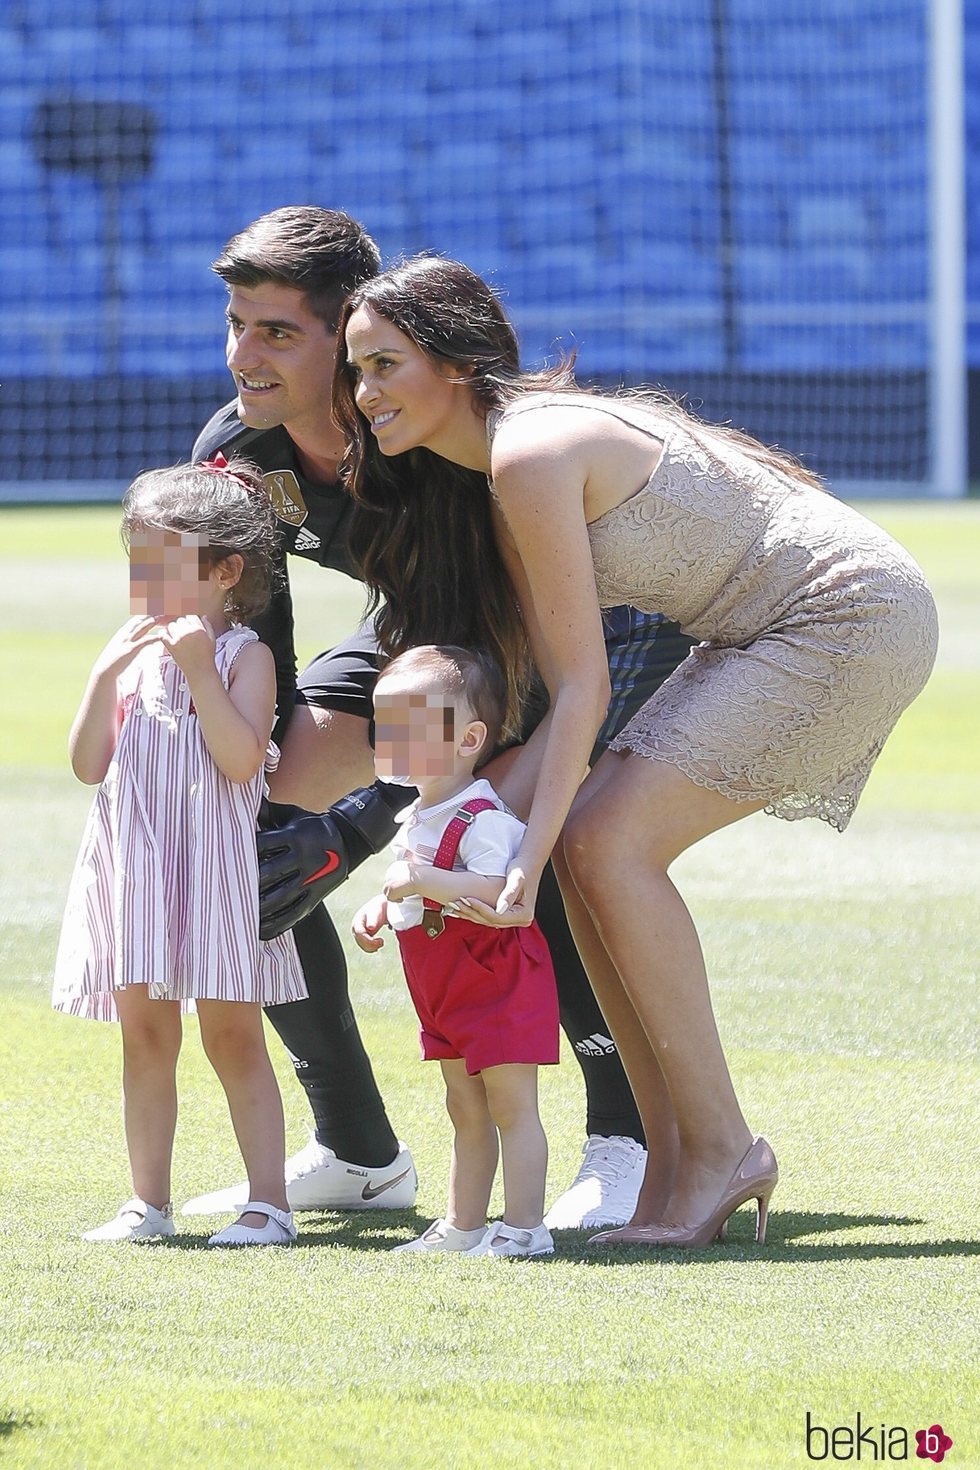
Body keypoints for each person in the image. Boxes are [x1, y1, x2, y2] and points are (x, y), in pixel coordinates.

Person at [331, 254, 940, 1249]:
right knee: (587, 844)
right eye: (355, 371)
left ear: (452, 362)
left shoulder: (527, 456)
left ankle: (717, 1149)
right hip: (756, 631)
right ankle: (675, 1161)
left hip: (844, 617)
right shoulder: (506, 467)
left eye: (383, 364)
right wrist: (455, 839)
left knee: (602, 844)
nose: (363, 394)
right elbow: (552, 696)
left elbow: (583, 690)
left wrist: (516, 866)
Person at [183, 206, 697, 1229]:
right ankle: (357, 1151)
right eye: (235, 322)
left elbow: (500, 679)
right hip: (431, 630)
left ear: (351, 332)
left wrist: (358, 828)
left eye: (277, 330)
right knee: (246, 820)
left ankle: (624, 1135)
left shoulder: (434, 439)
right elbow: (264, 662)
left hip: (581, 627)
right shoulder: (241, 453)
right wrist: (273, 811)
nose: (244, 354)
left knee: (518, 832)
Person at [52, 460, 308, 1248]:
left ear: (226, 573)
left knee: (234, 1035)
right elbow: (88, 763)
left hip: (214, 874)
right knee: (146, 1037)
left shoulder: (244, 657)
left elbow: (239, 761)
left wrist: (199, 667)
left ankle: (269, 1203)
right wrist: (103, 677)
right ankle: (147, 1202)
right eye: (139, 565)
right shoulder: (130, 653)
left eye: (163, 565)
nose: (145, 582)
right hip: (137, 869)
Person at [353, 646, 558, 1258]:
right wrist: (381, 908)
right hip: (445, 987)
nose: (391, 742)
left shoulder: (482, 815)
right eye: (385, 727)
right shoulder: (419, 813)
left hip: (494, 979)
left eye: (409, 729)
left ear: (469, 739)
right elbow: (407, 881)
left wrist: (422, 884)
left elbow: (501, 888)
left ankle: (525, 1227)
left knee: (510, 1104)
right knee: (463, 1106)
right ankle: (464, 1224)